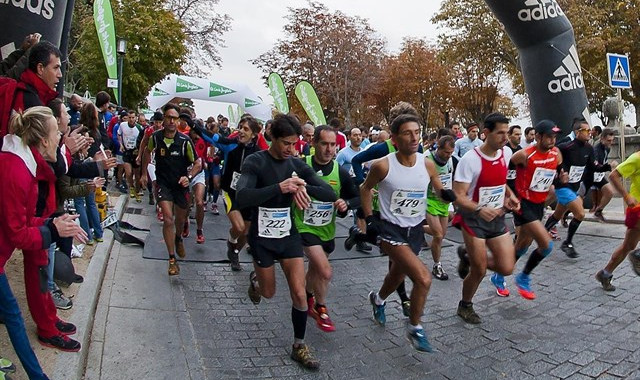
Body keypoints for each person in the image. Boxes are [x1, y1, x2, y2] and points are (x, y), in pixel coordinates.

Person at [236, 114, 336, 370]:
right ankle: (257, 281)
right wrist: (280, 188)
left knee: (300, 294)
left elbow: (329, 192)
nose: (292, 149)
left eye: (295, 144)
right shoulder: (255, 161)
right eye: (286, 144)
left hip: (288, 236)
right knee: (268, 293)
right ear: (272, 137)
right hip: (262, 238)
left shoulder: (296, 165)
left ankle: (299, 346)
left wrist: (303, 187)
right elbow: (243, 197)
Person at [1, 108, 87, 376]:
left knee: (13, 315)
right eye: (58, 133)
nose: (62, 137)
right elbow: (17, 234)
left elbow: (24, 223)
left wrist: (54, 223)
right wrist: (54, 229)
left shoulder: (23, 163)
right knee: (14, 316)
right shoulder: (16, 170)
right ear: (44, 141)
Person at [362, 114, 456, 352]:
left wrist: (447, 195)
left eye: (417, 132)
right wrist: (370, 218)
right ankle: (415, 327)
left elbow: (437, 186)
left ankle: (378, 299)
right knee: (423, 278)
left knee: (397, 275)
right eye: (407, 133)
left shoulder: (427, 164)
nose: (414, 137)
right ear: (394, 138)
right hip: (390, 229)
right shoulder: (383, 165)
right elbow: (365, 189)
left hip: (414, 230)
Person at [453, 112, 520, 324]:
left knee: (507, 267)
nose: (505, 137)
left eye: (507, 133)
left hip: (497, 217)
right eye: (500, 133)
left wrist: (511, 196)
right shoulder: (470, 160)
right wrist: (479, 209)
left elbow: (501, 182)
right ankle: (465, 305)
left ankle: (467, 256)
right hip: (473, 220)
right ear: (486, 133)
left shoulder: (506, 153)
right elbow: (458, 197)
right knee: (479, 270)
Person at [295, 125, 360, 333]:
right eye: (324, 144)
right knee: (324, 270)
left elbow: (356, 196)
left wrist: (345, 205)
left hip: (326, 230)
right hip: (303, 226)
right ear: (314, 143)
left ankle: (306, 295)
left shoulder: (339, 172)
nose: (329, 149)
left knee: (315, 270)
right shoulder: (300, 165)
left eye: (333, 145)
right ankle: (321, 308)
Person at [490, 120, 565, 299]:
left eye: (555, 137)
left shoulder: (556, 153)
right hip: (524, 205)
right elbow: (505, 176)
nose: (553, 141)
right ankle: (523, 278)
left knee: (522, 245)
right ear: (537, 137)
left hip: (539, 204)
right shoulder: (523, 155)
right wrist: (510, 195)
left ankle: (499, 274)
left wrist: (562, 176)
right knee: (546, 246)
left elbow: (559, 170)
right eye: (549, 137)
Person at [192, 116, 264, 271]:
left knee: (246, 233)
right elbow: (211, 137)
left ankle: (235, 251)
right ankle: (231, 244)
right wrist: (194, 125)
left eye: (246, 129)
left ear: (254, 134)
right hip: (230, 192)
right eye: (240, 127)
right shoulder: (230, 145)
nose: (241, 131)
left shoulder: (260, 153)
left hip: (249, 196)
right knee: (238, 227)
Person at [141, 103, 201, 275]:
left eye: (175, 118)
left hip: (180, 186)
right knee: (168, 219)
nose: (171, 121)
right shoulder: (156, 137)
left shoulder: (184, 141)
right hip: (163, 184)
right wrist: (144, 174)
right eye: (169, 117)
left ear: (178, 121)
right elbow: (147, 151)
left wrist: (188, 177)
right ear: (164, 119)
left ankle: (178, 238)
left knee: (179, 222)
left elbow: (198, 163)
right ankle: (172, 259)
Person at [543, 119, 610, 258]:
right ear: (577, 132)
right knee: (580, 214)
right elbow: (552, 153)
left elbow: (593, 166)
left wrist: (606, 167)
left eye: (589, 130)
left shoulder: (589, 148)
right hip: (563, 186)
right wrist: (559, 170)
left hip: (574, 186)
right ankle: (567, 243)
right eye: (586, 130)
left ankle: (541, 233)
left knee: (557, 214)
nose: (589, 133)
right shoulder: (566, 147)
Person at [595, 150, 640, 291]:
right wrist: (626, 196)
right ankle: (638, 255)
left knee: (628, 246)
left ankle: (605, 273)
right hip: (637, 208)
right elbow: (614, 175)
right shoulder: (637, 158)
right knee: (630, 248)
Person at [425, 135, 457, 280]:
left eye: (451, 152)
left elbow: (450, 178)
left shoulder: (450, 160)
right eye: (446, 152)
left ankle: (417, 229)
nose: (448, 155)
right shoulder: (427, 158)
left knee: (441, 235)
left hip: (443, 201)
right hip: (429, 200)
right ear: (438, 148)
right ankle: (437, 265)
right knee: (438, 235)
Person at [12, 41, 60, 113]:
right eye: (56, 68)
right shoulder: (32, 106)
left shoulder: (34, 95)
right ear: (40, 68)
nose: (60, 75)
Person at [590, 129, 617, 221]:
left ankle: (598, 211)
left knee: (609, 192)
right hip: (589, 176)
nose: (611, 142)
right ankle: (565, 213)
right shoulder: (596, 150)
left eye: (612, 140)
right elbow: (596, 165)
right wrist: (609, 166)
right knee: (579, 197)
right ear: (602, 139)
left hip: (599, 175)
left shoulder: (607, 148)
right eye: (609, 140)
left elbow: (602, 163)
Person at [188, 127, 208, 244]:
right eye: (194, 134)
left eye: (198, 134)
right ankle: (185, 223)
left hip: (199, 174)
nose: (196, 137)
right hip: (186, 174)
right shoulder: (184, 139)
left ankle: (199, 230)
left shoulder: (203, 141)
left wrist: (206, 161)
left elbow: (207, 152)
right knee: (186, 205)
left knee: (199, 202)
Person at [118, 110, 143, 202]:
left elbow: (143, 141)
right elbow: (119, 134)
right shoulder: (122, 125)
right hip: (127, 151)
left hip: (135, 152)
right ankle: (131, 187)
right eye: (129, 117)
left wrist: (139, 151)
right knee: (128, 173)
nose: (131, 119)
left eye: (133, 117)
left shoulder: (139, 128)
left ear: (136, 118)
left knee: (137, 174)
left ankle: (137, 191)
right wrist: (120, 144)